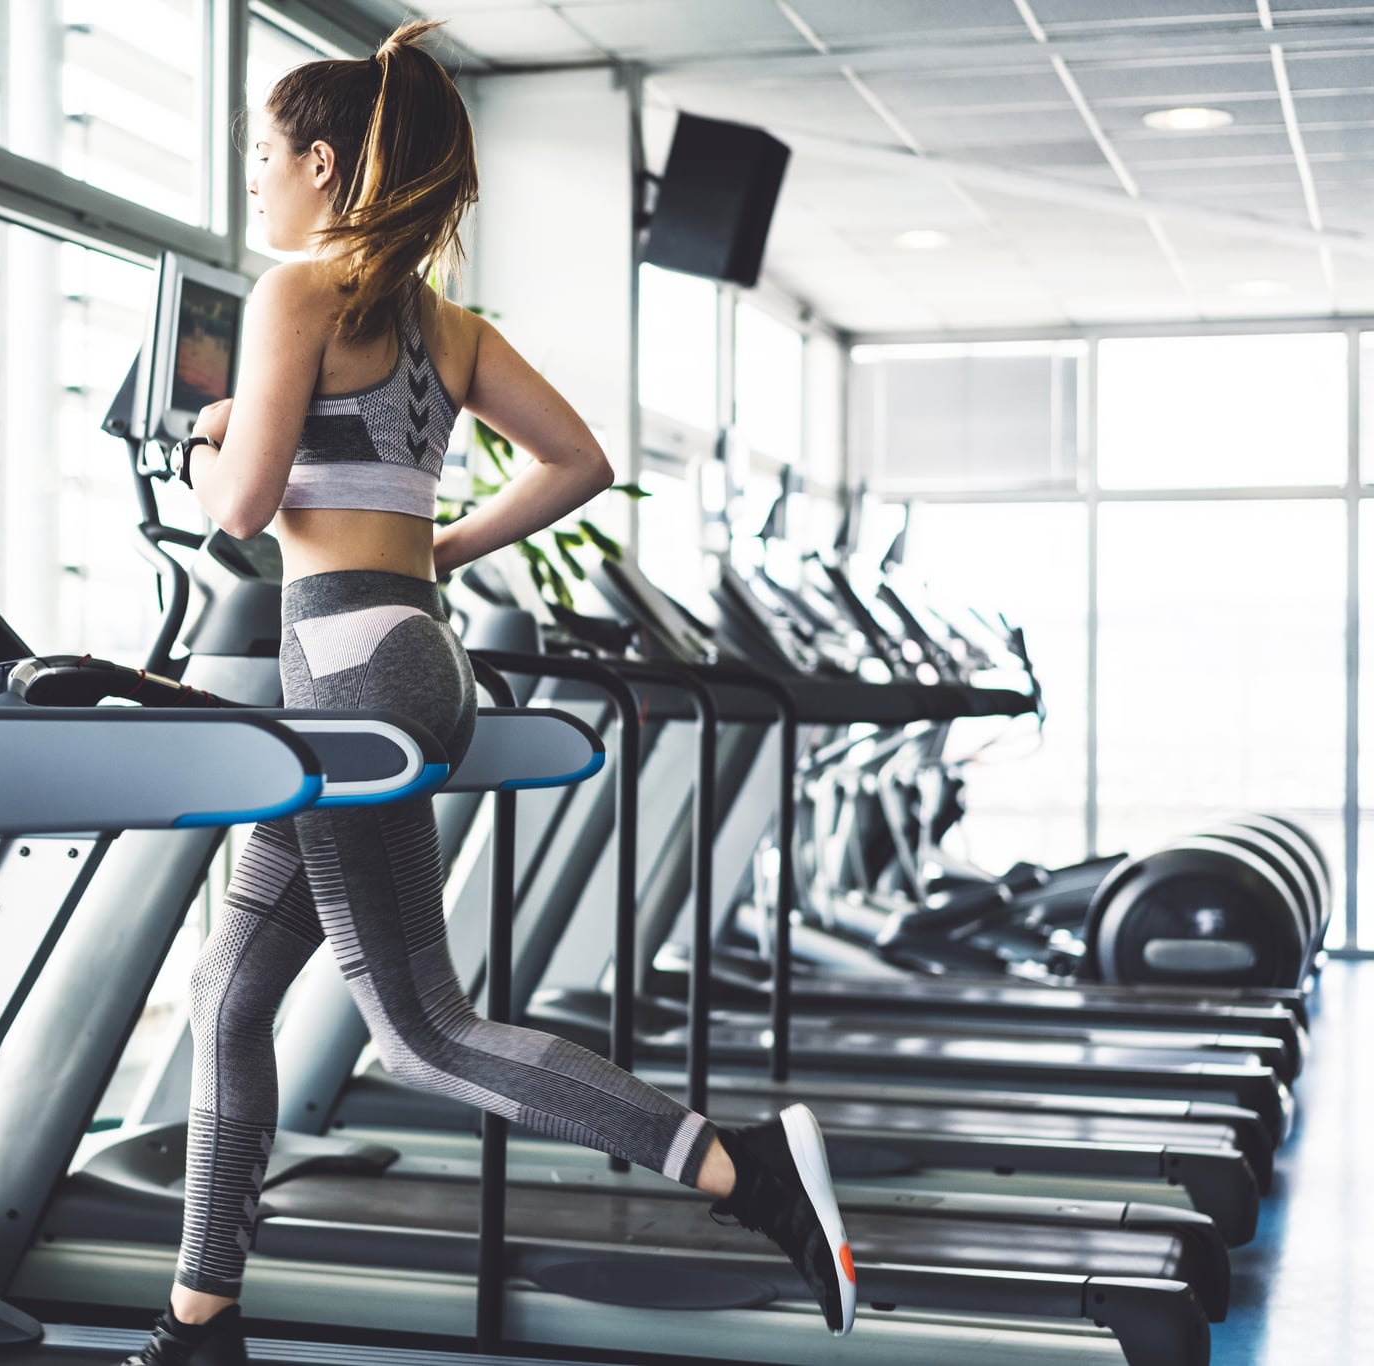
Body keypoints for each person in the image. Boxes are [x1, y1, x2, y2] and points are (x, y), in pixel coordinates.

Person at [120, 20, 853, 1366]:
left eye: (264, 158)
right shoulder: (442, 324)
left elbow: (239, 509)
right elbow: (577, 457)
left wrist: (204, 431)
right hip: (398, 652)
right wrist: (439, 548)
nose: (255, 185)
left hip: (342, 673)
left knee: (420, 1029)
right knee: (231, 990)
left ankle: (739, 1167)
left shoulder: (296, 294)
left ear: (325, 164)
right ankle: (198, 1320)